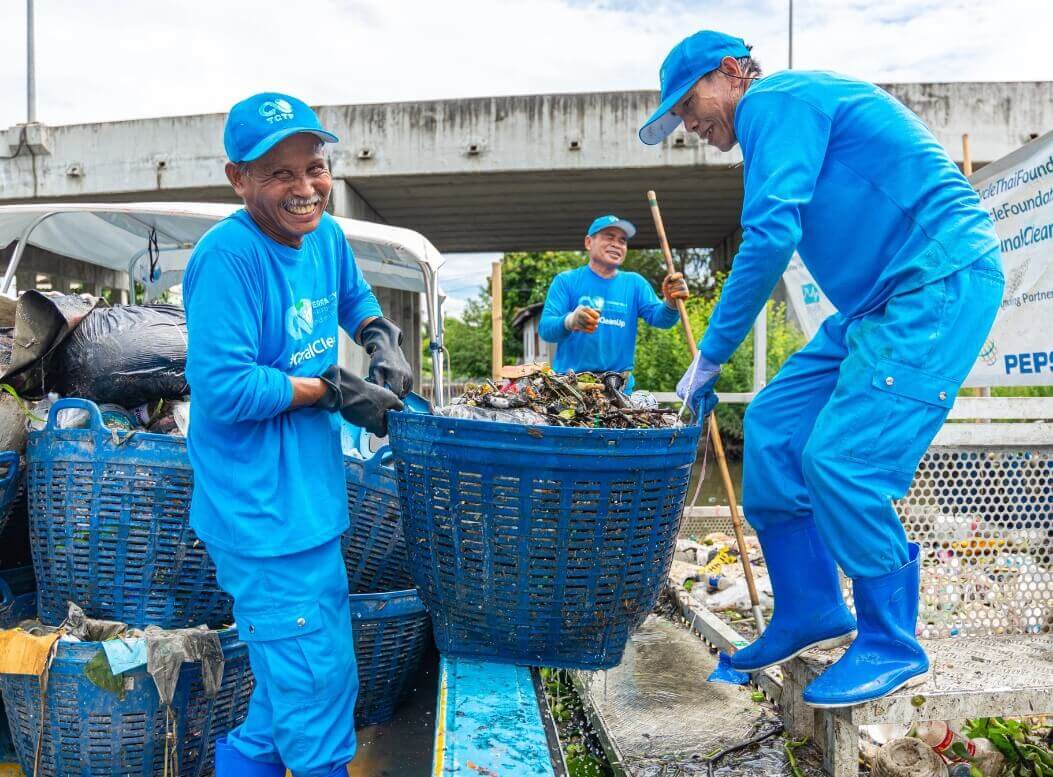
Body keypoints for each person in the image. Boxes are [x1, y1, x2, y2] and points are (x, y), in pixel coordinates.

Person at [640, 32, 1003, 707]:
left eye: (689, 104)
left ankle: (893, 643)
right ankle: (809, 607)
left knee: (842, 460)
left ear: (729, 73)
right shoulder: (774, 123)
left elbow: (771, 234)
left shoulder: (776, 101)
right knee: (775, 425)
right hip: (876, 303)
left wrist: (710, 353)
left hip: (935, 279)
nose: (689, 124)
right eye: (680, 118)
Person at [182, 92, 413, 776]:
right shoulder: (227, 257)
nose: (304, 187)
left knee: (290, 689)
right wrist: (332, 390)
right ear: (239, 178)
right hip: (259, 513)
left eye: (313, 167)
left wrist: (379, 337)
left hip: (309, 503)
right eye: (279, 173)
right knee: (315, 687)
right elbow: (222, 387)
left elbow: (353, 297)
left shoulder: (326, 237)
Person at [538, 214, 689, 390]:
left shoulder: (634, 283)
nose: (616, 244)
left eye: (622, 240)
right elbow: (546, 330)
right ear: (588, 242)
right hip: (571, 389)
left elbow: (661, 320)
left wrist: (671, 302)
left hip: (618, 390)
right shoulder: (566, 281)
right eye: (609, 237)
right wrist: (570, 320)